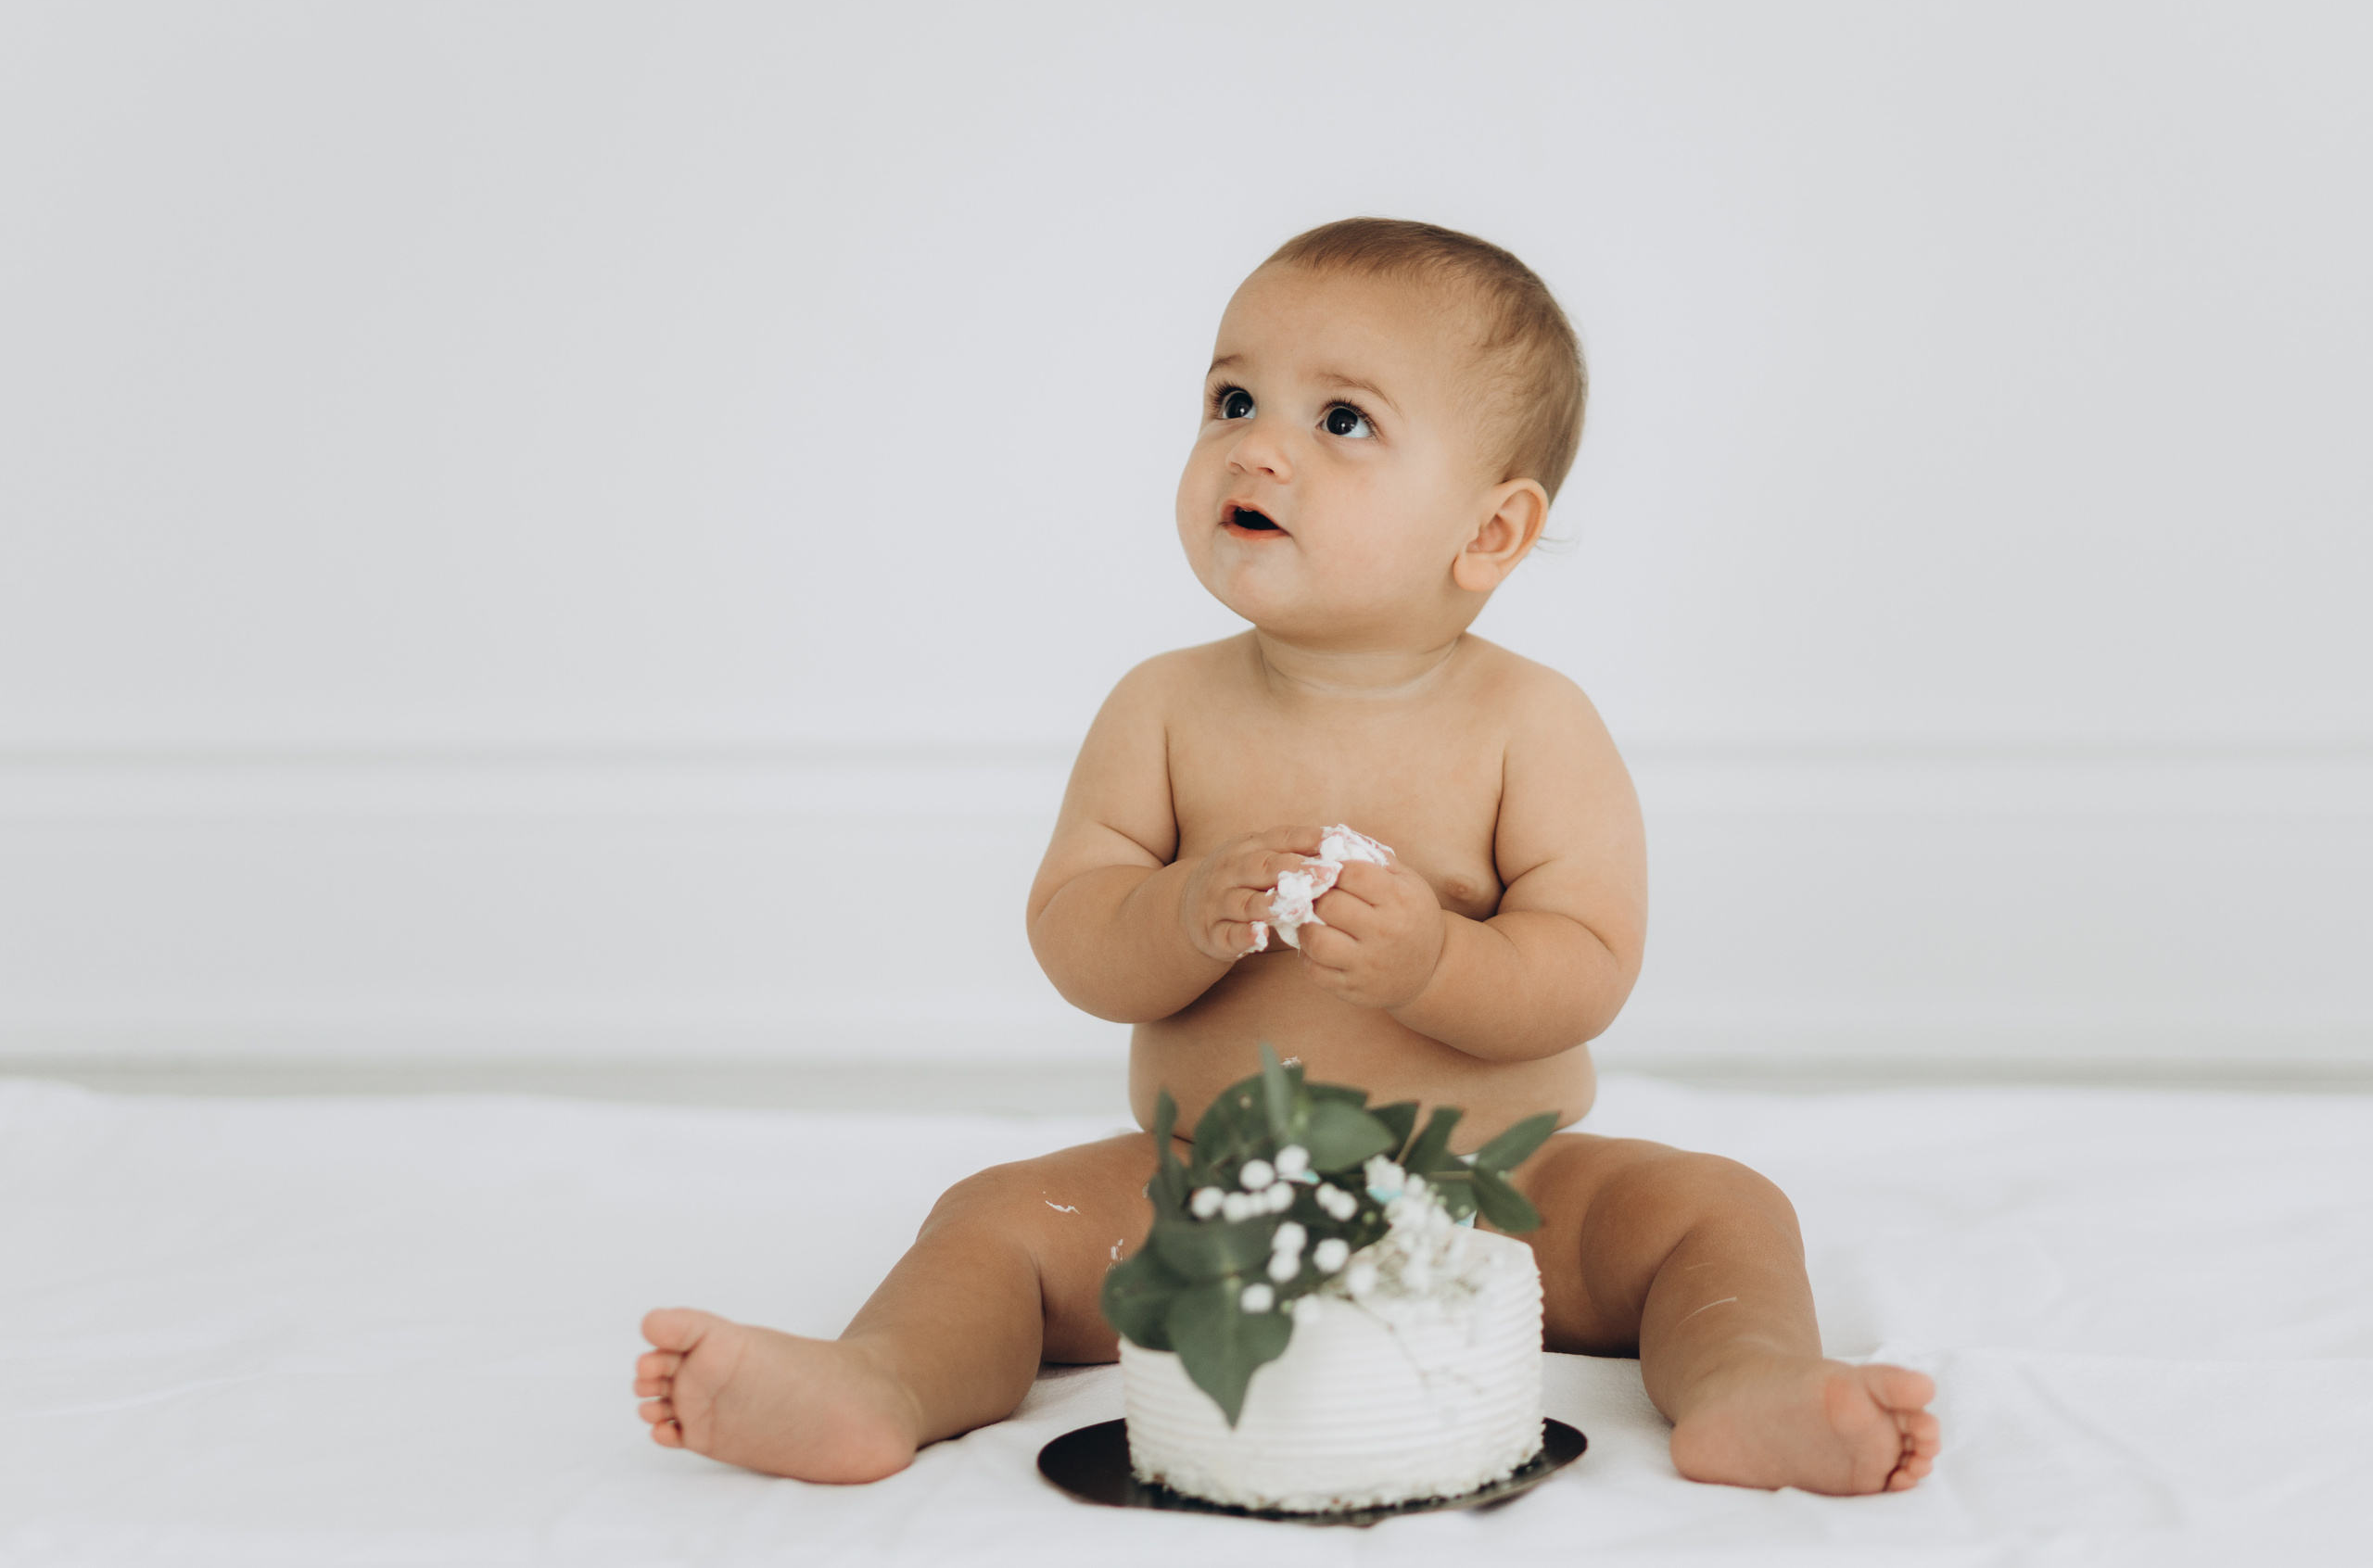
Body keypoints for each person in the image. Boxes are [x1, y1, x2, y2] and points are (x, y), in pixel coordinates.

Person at [632, 219, 1942, 1494]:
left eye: (1342, 420)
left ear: (1489, 532)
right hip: (1203, 1195)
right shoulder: (1163, 708)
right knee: (996, 1218)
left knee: (1719, 1209)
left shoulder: (1531, 725)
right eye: (1233, 400)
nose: (1256, 448)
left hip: (1496, 1196)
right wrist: (1178, 915)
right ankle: (880, 1383)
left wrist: (1435, 962)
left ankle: (1750, 1383)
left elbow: (1588, 965)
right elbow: (1075, 933)